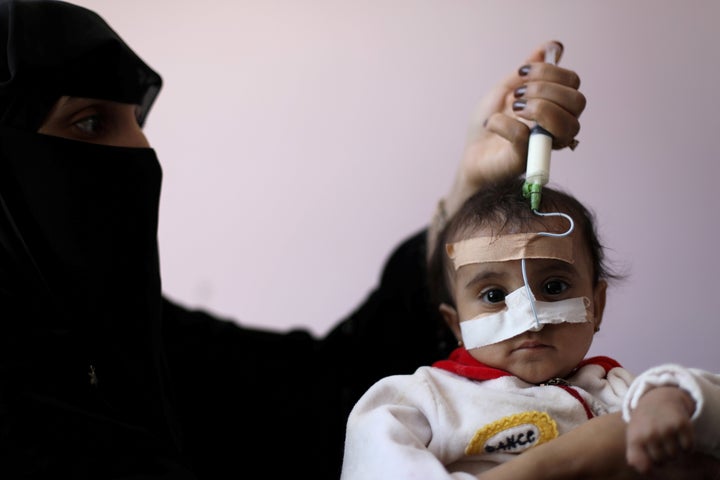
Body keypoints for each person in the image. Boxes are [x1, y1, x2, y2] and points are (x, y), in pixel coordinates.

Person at [0, 0, 587, 478]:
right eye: (90, 122)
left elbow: (325, 395)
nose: (141, 155)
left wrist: (470, 188)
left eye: (137, 121)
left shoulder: (143, 344)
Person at [339, 178, 720, 480]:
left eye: (554, 287)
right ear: (455, 324)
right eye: (493, 294)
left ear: (597, 306)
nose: (531, 316)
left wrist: (672, 399)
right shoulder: (416, 401)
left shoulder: (620, 388)